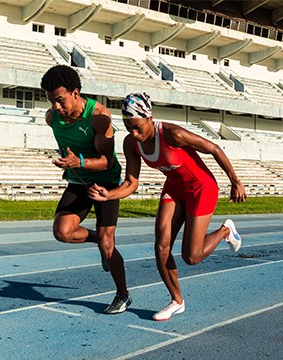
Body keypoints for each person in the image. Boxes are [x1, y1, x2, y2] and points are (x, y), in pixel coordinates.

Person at [88, 92, 246, 321]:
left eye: (137, 127)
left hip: (201, 189)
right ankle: (177, 301)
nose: (134, 133)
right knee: (161, 247)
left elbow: (214, 149)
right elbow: (131, 183)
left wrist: (235, 181)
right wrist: (109, 195)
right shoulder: (131, 143)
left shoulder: (173, 133)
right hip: (174, 188)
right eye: (128, 127)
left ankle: (225, 231)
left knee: (191, 257)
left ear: (149, 118)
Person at [41, 65, 131, 314]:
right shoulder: (52, 118)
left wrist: (78, 161)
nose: (56, 108)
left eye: (60, 101)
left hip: (105, 183)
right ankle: (99, 240)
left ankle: (123, 295)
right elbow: (65, 143)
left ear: (75, 93)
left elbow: (107, 161)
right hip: (78, 180)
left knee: (108, 245)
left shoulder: (99, 117)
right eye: (52, 102)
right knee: (62, 231)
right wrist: (69, 163)